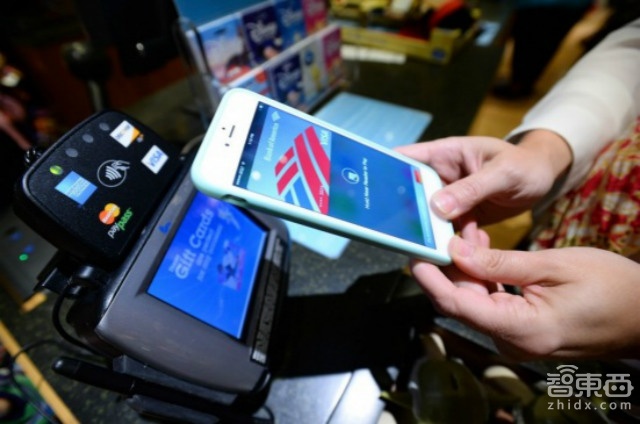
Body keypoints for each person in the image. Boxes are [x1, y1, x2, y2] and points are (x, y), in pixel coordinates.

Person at [396, 16, 640, 360]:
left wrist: (634, 319)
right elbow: (633, 52)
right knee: (525, 286)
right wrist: (543, 151)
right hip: (577, 211)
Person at [493, 0, 594, 99]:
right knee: (539, 43)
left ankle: (519, 85)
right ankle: (520, 82)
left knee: (533, 44)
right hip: (564, 6)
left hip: (547, 6)